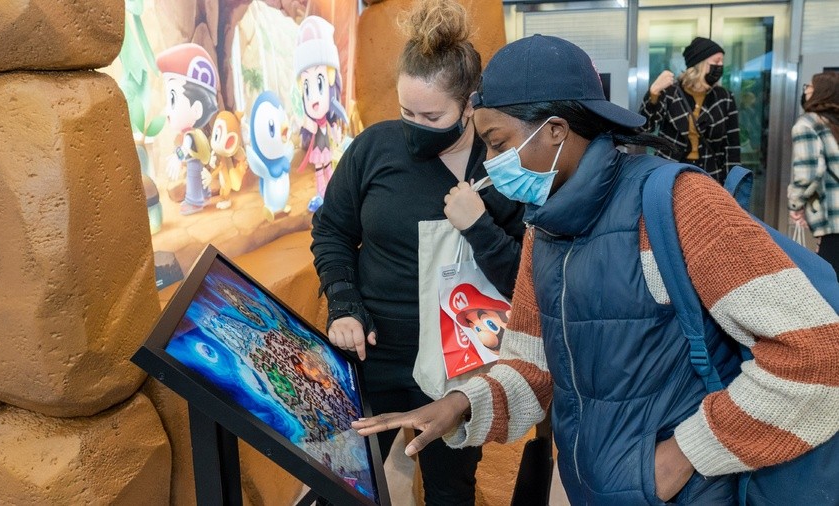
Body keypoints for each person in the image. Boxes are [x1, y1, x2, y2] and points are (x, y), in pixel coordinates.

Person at [353, 34, 839, 505]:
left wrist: (684, 455)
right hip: (595, 486)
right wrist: (462, 404)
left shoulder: (675, 204)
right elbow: (532, 364)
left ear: (557, 131)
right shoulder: (542, 228)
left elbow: (818, 356)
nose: (494, 166)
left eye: (499, 145)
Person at [309, 0, 525, 503]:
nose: (414, 126)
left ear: (470, 104)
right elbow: (332, 231)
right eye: (406, 111)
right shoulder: (373, 149)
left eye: (431, 115)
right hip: (374, 356)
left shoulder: (504, 168)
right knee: (338, 480)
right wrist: (344, 303)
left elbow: (526, 278)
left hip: (459, 370)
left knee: (451, 491)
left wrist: (480, 227)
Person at [640, 37, 740, 184]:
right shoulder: (670, 92)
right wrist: (654, 92)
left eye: (722, 62)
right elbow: (644, 127)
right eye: (717, 61)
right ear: (699, 63)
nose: (721, 66)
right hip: (670, 173)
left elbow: (732, 146)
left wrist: (733, 184)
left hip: (710, 175)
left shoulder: (724, 97)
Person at [788, 72, 839, 276]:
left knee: (830, 282)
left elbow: (807, 173)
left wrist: (796, 204)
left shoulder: (808, 124)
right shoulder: (834, 124)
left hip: (833, 219)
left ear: (821, 92)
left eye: (809, 86)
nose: (806, 90)